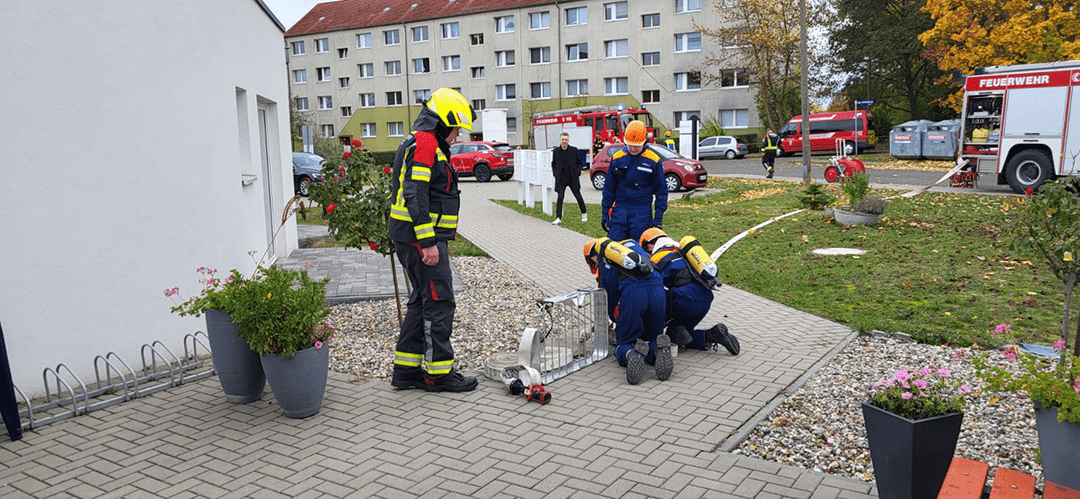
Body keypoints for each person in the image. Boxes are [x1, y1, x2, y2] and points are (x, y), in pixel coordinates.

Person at [388, 88, 478, 393]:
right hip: (421, 239)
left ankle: (406, 370)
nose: (456, 136)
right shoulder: (426, 144)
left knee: (420, 301)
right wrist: (427, 242)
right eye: (455, 129)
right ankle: (439, 373)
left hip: (412, 236)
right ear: (443, 121)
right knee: (440, 302)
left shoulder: (420, 141)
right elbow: (416, 193)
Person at [639, 228, 740, 356]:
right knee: (677, 334)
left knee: (657, 298)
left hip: (683, 300)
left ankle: (650, 338)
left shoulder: (658, 258)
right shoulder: (683, 251)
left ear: (649, 246)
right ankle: (712, 335)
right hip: (705, 300)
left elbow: (653, 285)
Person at [584, 237, 672, 384]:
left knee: (624, 341)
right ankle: (658, 350)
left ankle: (631, 353)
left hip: (635, 294)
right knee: (651, 337)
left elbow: (609, 296)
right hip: (658, 291)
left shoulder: (606, 261)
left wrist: (617, 319)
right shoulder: (634, 249)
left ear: (593, 257)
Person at [601, 120, 667, 243]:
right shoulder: (617, 158)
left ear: (644, 142)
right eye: (630, 145)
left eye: (636, 146)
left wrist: (658, 218)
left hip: (642, 213)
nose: (633, 148)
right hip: (620, 211)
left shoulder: (653, 161)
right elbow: (609, 188)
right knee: (613, 248)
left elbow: (661, 191)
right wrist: (605, 212)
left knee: (639, 249)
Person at [551, 131, 587, 225]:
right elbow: (553, 164)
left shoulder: (574, 150)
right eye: (562, 139)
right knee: (560, 197)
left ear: (568, 140)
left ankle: (584, 213)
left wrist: (578, 172)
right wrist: (555, 173)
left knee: (578, 196)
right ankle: (558, 217)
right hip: (561, 179)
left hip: (572, 178)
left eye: (566, 140)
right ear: (560, 140)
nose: (564, 141)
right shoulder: (556, 152)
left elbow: (579, 163)